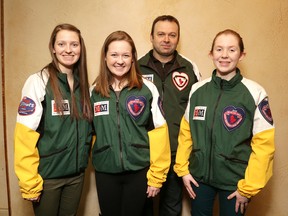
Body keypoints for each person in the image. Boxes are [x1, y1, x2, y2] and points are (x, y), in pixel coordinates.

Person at [174, 29, 275, 216]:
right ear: (211, 53)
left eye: (232, 50)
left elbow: (264, 147)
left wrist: (248, 188)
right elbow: (186, 134)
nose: (224, 56)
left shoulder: (255, 93)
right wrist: (183, 170)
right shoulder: (197, 90)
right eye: (219, 49)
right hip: (199, 179)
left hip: (236, 182)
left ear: (242, 55)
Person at [14, 23, 93, 216]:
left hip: (76, 177)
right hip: (48, 177)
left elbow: (89, 131)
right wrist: (29, 182)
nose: (68, 49)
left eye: (74, 44)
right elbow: (25, 136)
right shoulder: (38, 81)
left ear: (80, 48)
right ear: (53, 48)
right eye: (62, 44)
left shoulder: (84, 86)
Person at [90, 30, 171, 216]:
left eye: (126, 55)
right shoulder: (93, 92)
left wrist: (156, 178)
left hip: (139, 171)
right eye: (114, 55)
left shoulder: (147, 89)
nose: (120, 61)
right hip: (106, 171)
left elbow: (159, 132)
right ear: (105, 57)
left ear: (133, 58)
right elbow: (90, 133)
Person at [138, 15, 201, 216]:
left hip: (176, 152)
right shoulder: (135, 68)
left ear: (178, 38)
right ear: (151, 37)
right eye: (161, 34)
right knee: (142, 207)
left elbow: (196, 112)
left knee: (171, 208)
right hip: (144, 152)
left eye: (172, 35)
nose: (166, 39)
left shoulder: (189, 68)